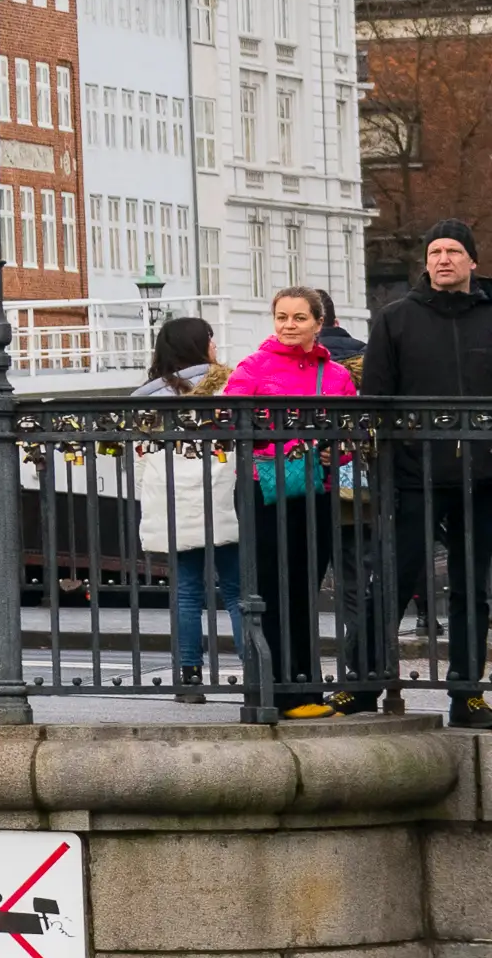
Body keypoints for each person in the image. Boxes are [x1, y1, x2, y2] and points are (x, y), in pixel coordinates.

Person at [359, 221, 492, 724]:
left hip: (482, 478)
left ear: (472, 261)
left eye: (454, 251)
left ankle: (466, 692)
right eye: (435, 251)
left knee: (471, 587)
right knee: (391, 582)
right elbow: (374, 398)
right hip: (414, 474)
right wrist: (385, 468)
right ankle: (362, 684)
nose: (443, 259)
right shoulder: (396, 319)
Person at [229, 287, 359, 721]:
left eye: (299, 318)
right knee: (267, 586)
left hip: (313, 490)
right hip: (263, 489)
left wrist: (332, 452)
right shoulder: (252, 367)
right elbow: (229, 420)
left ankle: (304, 688)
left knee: (304, 585)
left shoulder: (336, 376)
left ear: (317, 323)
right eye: (282, 317)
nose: (288, 325)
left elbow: (349, 435)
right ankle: (271, 688)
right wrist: (277, 441)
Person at [131, 316, 234, 700]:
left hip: (172, 497)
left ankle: (187, 675)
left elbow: (140, 461)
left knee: (188, 590)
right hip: (224, 493)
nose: (215, 346)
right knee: (239, 591)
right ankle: (255, 675)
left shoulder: (148, 396)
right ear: (201, 343)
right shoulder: (230, 385)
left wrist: (148, 497)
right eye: (211, 338)